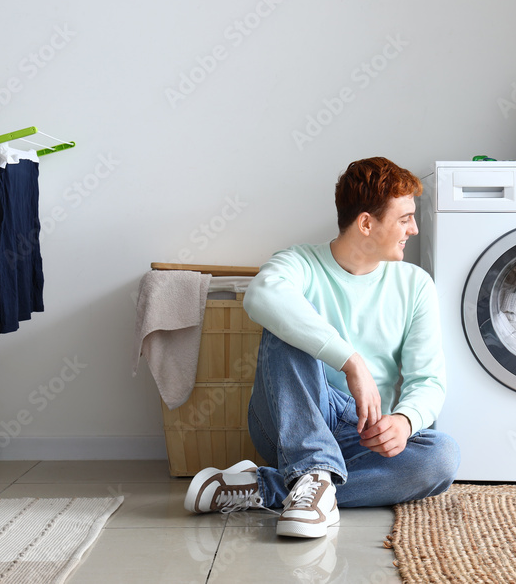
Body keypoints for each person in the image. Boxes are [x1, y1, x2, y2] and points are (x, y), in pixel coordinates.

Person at [184, 157, 459, 539]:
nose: (413, 229)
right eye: (405, 218)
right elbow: (261, 296)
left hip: (363, 431)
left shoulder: (415, 285)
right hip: (289, 418)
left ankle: (271, 487)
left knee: (440, 456)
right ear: (366, 223)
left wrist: (405, 420)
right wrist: (351, 362)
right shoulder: (300, 263)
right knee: (285, 319)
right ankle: (312, 469)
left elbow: (428, 380)